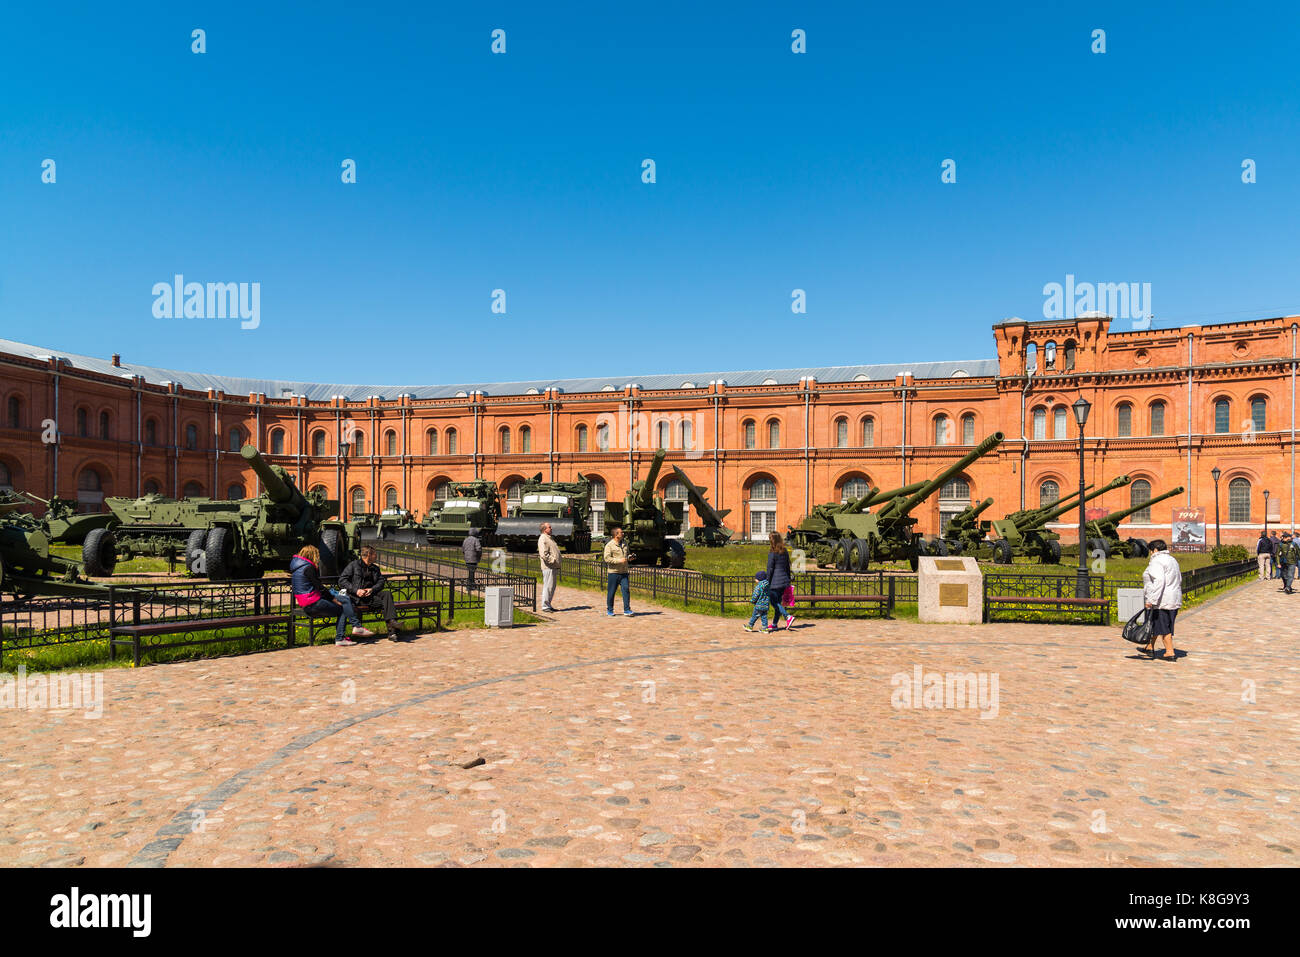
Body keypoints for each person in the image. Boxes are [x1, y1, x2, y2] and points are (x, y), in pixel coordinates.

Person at [290, 544, 372, 646]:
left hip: (307, 602)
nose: (318, 558)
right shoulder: (309, 568)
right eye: (317, 555)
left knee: (344, 599)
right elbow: (320, 587)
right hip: (314, 603)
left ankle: (355, 627)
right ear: (312, 555)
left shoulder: (297, 568)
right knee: (342, 609)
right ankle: (344, 635)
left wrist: (332, 595)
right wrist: (333, 599)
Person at [339, 544, 401, 641]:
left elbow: (381, 582)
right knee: (387, 605)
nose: (376, 556)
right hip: (357, 599)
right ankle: (392, 630)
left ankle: (392, 624)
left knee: (387, 594)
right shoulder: (353, 565)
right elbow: (342, 580)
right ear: (369, 555)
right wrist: (356, 590)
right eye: (375, 554)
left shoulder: (375, 568)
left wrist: (372, 589)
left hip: (371, 597)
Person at [1141, 539, 1181, 661]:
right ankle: (1149, 646)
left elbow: (1159, 581)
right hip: (1173, 598)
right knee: (1156, 624)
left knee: (1164, 627)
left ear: (1155, 550)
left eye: (1151, 551)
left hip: (1161, 601)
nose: (1150, 553)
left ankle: (1170, 652)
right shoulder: (1172, 560)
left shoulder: (1157, 562)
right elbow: (1179, 578)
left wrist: (1151, 600)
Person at [765, 531, 794, 631]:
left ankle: (787, 616)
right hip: (784, 580)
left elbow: (770, 569)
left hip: (775, 582)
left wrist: (766, 582)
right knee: (778, 602)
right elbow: (787, 566)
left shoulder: (772, 553)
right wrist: (788, 579)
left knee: (774, 602)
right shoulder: (784, 551)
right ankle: (774, 624)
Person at [603, 525, 633, 617]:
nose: (623, 533)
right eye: (621, 532)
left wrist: (629, 558)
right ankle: (610, 610)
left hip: (624, 572)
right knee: (611, 592)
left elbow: (626, 555)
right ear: (616, 534)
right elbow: (607, 558)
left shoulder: (624, 543)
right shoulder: (609, 545)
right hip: (614, 572)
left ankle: (627, 610)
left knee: (626, 590)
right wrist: (619, 561)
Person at [538, 522, 561, 612]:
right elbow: (544, 554)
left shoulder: (549, 538)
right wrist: (553, 560)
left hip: (553, 567)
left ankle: (548, 604)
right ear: (544, 529)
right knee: (548, 586)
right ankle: (545, 606)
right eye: (549, 527)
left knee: (551, 587)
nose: (551, 528)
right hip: (548, 567)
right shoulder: (543, 538)